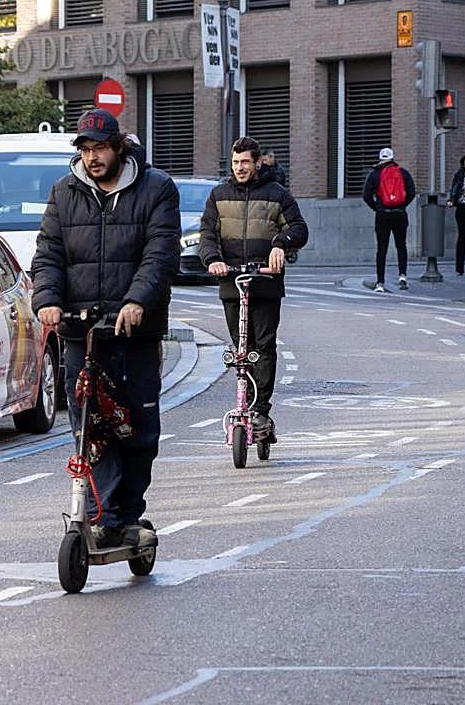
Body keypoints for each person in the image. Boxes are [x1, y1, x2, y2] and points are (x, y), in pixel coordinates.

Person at [32, 108, 180, 550]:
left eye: (99, 148)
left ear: (118, 147)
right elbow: (49, 255)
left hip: (134, 331)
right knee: (87, 428)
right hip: (81, 331)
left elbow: (160, 254)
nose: (92, 158)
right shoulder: (65, 192)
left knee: (136, 427)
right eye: (85, 149)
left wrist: (137, 301)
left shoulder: (156, 189)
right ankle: (102, 515)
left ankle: (126, 513)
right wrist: (48, 301)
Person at [199, 137, 308, 443]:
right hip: (232, 282)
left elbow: (299, 228)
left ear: (257, 163)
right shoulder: (218, 195)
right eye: (235, 163)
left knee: (263, 347)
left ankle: (260, 409)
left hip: (265, 281)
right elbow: (207, 233)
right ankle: (242, 404)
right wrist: (213, 259)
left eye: (245, 162)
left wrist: (280, 244)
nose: (240, 168)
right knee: (240, 350)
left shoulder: (277, 194)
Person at [362, 147, 416, 292]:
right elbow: (411, 192)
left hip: (382, 214)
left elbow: (366, 195)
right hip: (400, 213)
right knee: (401, 245)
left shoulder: (374, 174)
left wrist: (377, 207)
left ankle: (380, 282)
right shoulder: (403, 173)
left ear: (380, 158)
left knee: (382, 248)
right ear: (392, 157)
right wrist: (402, 205)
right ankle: (402, 276)